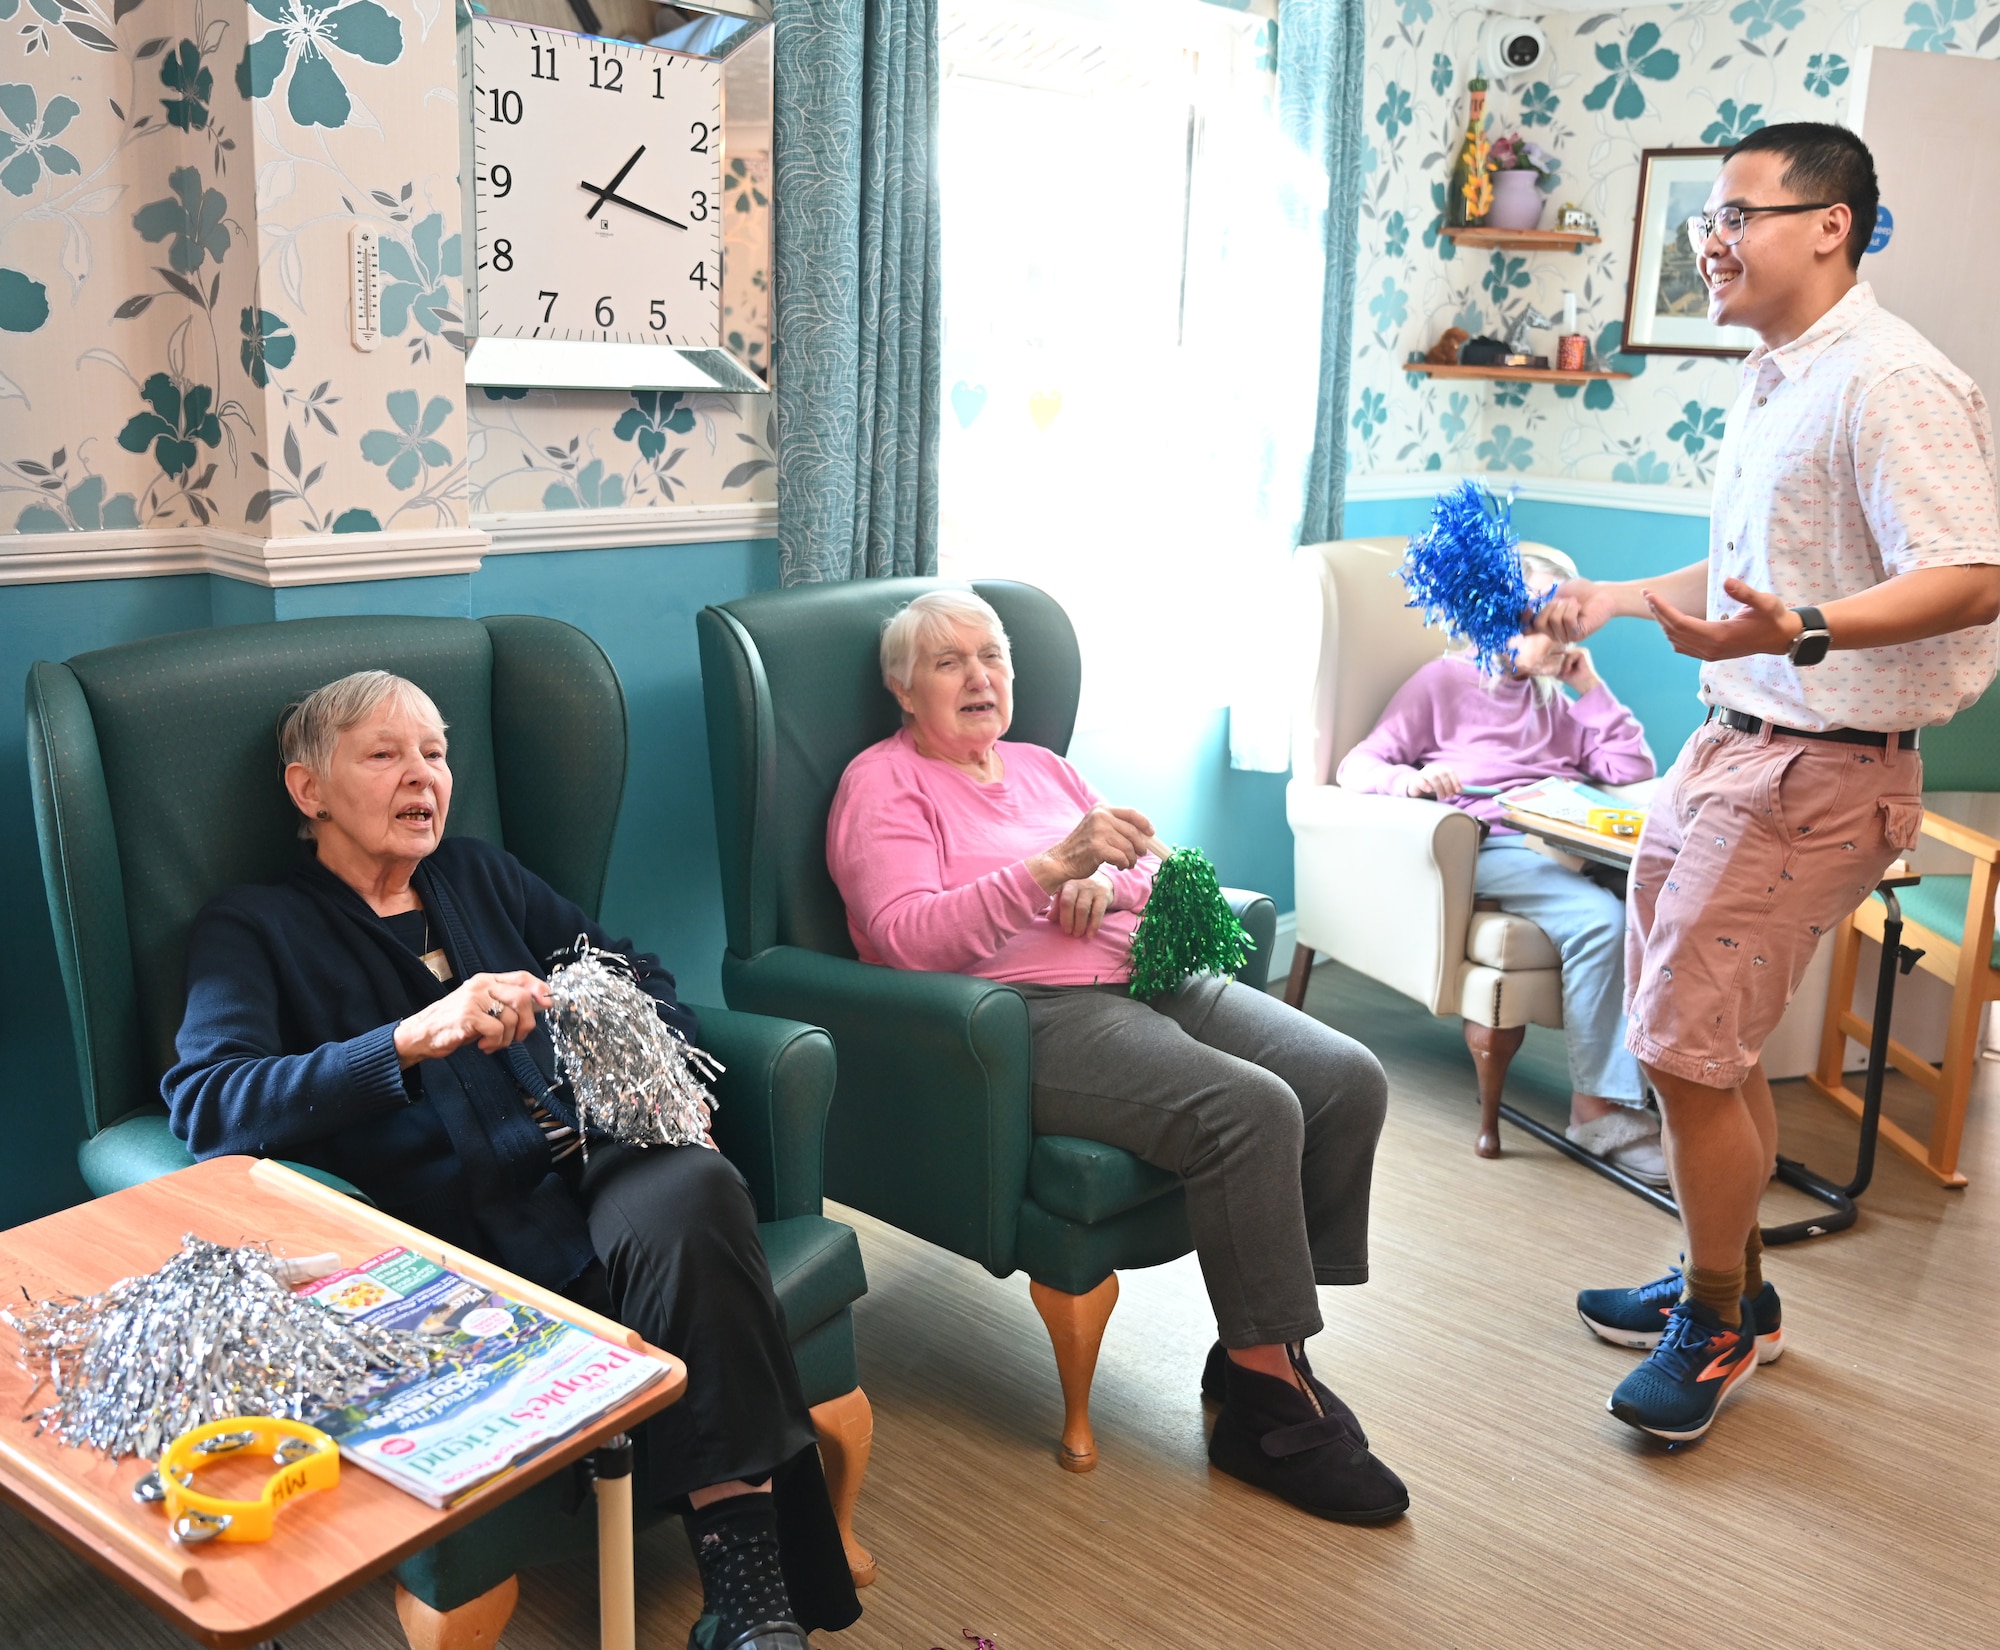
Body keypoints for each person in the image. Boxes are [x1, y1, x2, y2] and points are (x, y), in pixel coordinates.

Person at [164, 671, 858, 1650]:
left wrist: (658, 1065)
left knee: (696, 1190)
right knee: (690, 1273)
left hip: (602, 1164)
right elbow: (209, 1102)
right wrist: (409, 1039)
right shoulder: (255, 926)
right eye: (385, 754)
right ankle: (747, 1571)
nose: (424, 777)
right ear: (306, 789)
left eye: (437, 753)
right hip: (449, 1229)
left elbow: (632, 970)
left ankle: (747, 1604)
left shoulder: (479, 875)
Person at [1537, 123, 2000, 1444]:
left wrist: (1797, 628)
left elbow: (1972, 574)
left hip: (1817, 768)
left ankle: (1722, 1317)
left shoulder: (1892, 380)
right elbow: (1753, 568)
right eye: (1708, 216)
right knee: (1700, 1040)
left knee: (1686, 1049)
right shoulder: (1775, 374)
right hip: (1729, 743)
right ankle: (1724, 1274)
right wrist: (1623, 596)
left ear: (1832, 225)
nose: (1712, 240)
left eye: (1740, 212)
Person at [825, 589, 1406, 1523]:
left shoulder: (1043, 767)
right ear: (902, 688)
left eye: (993, 657)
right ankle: (1263, 1404)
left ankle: (1267, 1348)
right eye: (949, 662)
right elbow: (903, 938)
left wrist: (1107, 880)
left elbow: (1151, 861)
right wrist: (1051, 873)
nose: (981, 676)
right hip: (1032, 1017)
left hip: (1148, 975)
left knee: (1345, 1079)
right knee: (1253, 1109)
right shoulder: (882, 785)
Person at [1336, 598, 1663, 1183]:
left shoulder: (1556, 699)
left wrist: (1589, 687)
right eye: (1549, 631)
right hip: (1491, 844)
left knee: (1663, 905)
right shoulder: (1442, 681)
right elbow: (1357, 765)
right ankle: (1597, 1111)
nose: (1564, 643)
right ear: (1500, 628)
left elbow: (1632, 768)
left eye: (1568, 632)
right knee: (1600, 921)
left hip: (1567, 836)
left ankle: (1661, 1087)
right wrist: (1411, 781)